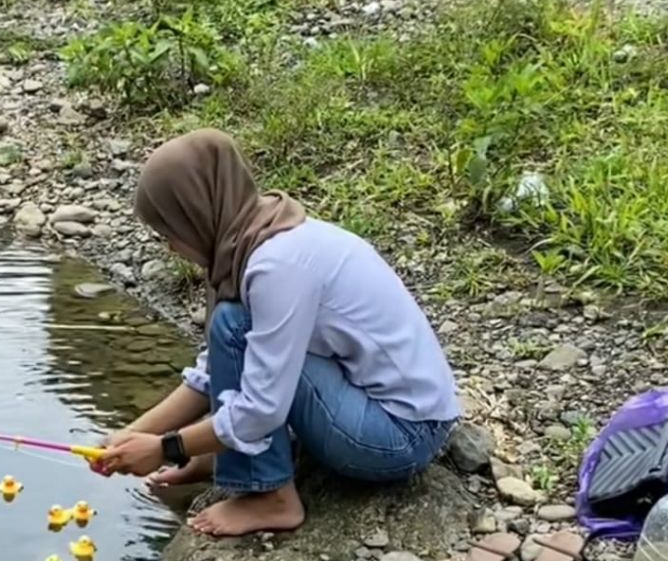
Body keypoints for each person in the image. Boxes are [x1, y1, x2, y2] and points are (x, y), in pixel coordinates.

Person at [99, 129, 459, 537]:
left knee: (234, 329)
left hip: (401, 435)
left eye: (170, 233)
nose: (170, 248)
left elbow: (262, 407)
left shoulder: (276, 265)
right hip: (384, 408)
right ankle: (223, 455)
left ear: (197, 213)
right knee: (234, 329)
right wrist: (135, 434)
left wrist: (167, 447)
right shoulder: (259, 232)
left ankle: (270, 496)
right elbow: (212, 371)